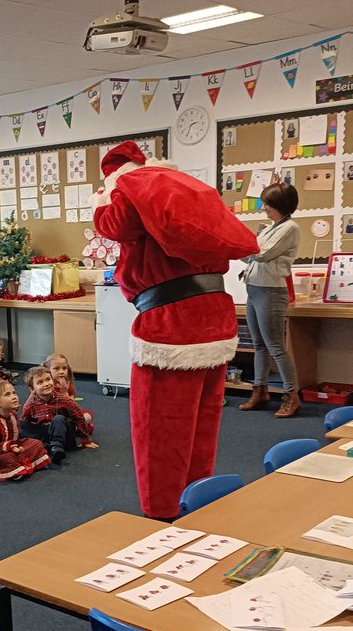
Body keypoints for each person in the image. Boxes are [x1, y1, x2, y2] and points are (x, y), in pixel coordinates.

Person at [93, 140, 258, 521]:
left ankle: (162, 516)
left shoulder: (132, 191)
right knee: (202, 424)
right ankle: (198, 503)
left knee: (159, 430)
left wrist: (105, 197)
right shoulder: (182, 190)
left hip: (171, 320)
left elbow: (111, 224)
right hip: (215, 314)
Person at [239, 182, 301, 418]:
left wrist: (236, 245)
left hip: (271, 292)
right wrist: (240, 247)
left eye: (267, 204)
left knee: (275, 346)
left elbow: (262, 255)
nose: (263, 208)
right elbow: (250, 258)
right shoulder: (270, 228)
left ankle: (291, 396)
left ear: (280, 205)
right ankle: (260, 390)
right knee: (258, 345)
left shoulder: (290, 228)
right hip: (254, 289)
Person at [0, 380, 51, 481]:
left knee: (36, 443)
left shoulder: (13, 414)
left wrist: (16, 446)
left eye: (14, 393)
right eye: (7, 394)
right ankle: (12, 469)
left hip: (12, 447)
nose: (14, 397)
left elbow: (17, 437)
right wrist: (8, 446)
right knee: (10, 458)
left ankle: (21, 465)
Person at [21, 366, 97, 462]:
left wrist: (85, 439)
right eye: (40, 382)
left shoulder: (64, 400)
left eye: (48, 379)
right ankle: (43, 445)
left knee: (58, 419)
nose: (46, 384)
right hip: (46, 434)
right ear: (32, 390)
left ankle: (56, 447)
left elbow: (79, 418)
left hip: (64, 435)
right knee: (21, 423)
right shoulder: (31, 404)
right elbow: (25, 422)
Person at [44, 351, 94, 434]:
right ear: (48, 370)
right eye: (56, 368)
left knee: (87, 417)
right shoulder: (46, 387)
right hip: (51, 416)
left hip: (67, 414)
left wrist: (64, 392)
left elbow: (71, 406)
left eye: (64, 368)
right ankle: (74, 429)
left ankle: (75, 428)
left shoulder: (68, 386)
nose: (61, 371)